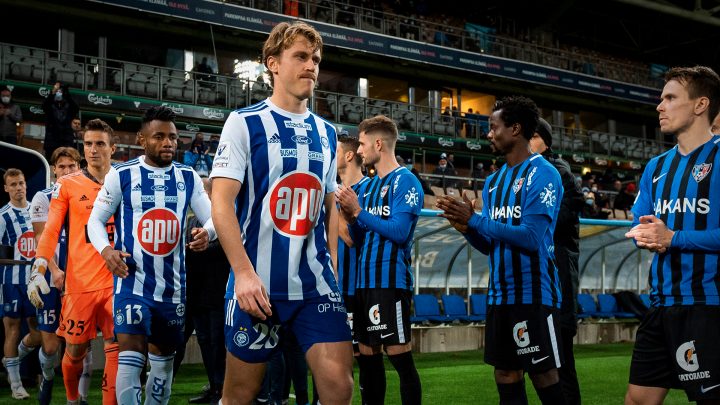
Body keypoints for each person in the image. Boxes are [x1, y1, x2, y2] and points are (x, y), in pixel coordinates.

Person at [210, 21, 353, 405]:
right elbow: (221, 203)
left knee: (339, 388)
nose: (311, 66)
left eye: (316, 59)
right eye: (301, 57)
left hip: (314, 284)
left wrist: (333, 264)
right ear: (273, 63)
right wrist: (242, 273)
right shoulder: (243, 123)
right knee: (239, 395)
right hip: (258, 284)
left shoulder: (326, 132)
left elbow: (328, 204)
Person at [436, 96, 566, 405]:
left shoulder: (543, 174)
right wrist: (468, 229)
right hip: (499, 296)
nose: (489, 134)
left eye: (494, 128)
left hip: (534, 294)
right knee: (505, 374)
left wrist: (477, 220)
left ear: (516, 129)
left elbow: (531, 238)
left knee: (542, 374)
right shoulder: (493, 182)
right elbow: (491, 244)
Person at [85, 106, 214, 405]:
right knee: (130, 357)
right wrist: (106, 250)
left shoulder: (189, 177)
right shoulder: (122, 175)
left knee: (163, 367)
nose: (168, 142)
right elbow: (95, 221)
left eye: (172, 137)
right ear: (142, 140)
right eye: (159, 136)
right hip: (132, 284)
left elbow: (213, 218)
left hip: (172, 290)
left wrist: (208, 233)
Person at [624, 66, 720, 404]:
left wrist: (672, 238)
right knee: (638, 399)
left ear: (700, 104)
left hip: (708, 307)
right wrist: (645, 234)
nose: (659, 106)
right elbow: (641, 225)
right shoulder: (656, 167)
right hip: (660, 305)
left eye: (670, 98)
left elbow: (668, 236)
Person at [29, 119, 120, 405]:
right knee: (75, 351)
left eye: (100, 144)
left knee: (116, 347)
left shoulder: (125, 179)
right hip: (79, 284)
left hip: (117, 280)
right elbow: (51, 228)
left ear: (112, 148)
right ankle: (72, 399)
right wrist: (40, 268)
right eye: (89, 144)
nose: (93, 150)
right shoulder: (67, 185)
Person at [336, 115, 424, 405]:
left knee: (400, 359)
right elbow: (357, 240)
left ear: (378, 143)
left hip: (390, 283)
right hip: (363, 284)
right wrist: (350, 218)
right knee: (368, 360)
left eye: (361, 144)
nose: (359, 151)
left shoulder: (406, 181)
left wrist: (359, 213)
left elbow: (399, 232)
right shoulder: (370, 187)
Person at [29, 147, 95, 405]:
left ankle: (80, 398)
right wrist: (55, 271)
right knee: (51, 346)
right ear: (54, 170)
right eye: (62, 167)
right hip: (51, 278)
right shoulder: (42, 198)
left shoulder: (87, 194)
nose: (67, 171)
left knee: (82, 342)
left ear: (78, 168)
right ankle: (46, 377)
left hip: (81, 278)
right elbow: (40, 238)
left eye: (72, 167)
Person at [531, 118, 584, 405]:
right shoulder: (530, 171)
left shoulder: (557, 170)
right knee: (545, 364)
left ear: (540, 139)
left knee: (560, 362)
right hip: (544, 283)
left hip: (558, 278)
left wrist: (531, 219)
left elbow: (567, 213)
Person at [184, 178, 229, 405]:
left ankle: (222, 390)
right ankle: (214, 388)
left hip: (218, 296)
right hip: (196, 296)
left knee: (217, 344)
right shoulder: (191, 222)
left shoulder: (226, 221)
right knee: (205, 343)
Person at [0, 168, 40, 400]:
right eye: (13, 184)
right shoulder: (3, 216)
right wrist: (18, 261)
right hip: (11, 282)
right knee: (12, 329)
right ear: (6, 188)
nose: (18, 188)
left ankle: (10, 361)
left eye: (21, 183)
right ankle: (16, 385)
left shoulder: (37, 209)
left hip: (35, 281)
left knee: (38, 332)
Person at [336, 134, 369, 403]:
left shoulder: (369, 189)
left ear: (349, 155)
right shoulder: (330, 191)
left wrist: (334, 208)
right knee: (330, 357)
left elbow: (350, 237)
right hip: (331, 289)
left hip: (357, 288)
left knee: (363, 356)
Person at [42, 82, 79, 161]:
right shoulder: (50, 106)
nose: (58, 93)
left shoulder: (68, 107)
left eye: (60, 92)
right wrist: (53, 92)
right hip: (51, 142)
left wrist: (67, 93)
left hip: (66, 142)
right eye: (57, 91)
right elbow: (45, 105)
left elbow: (76, 108)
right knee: (51, 164)